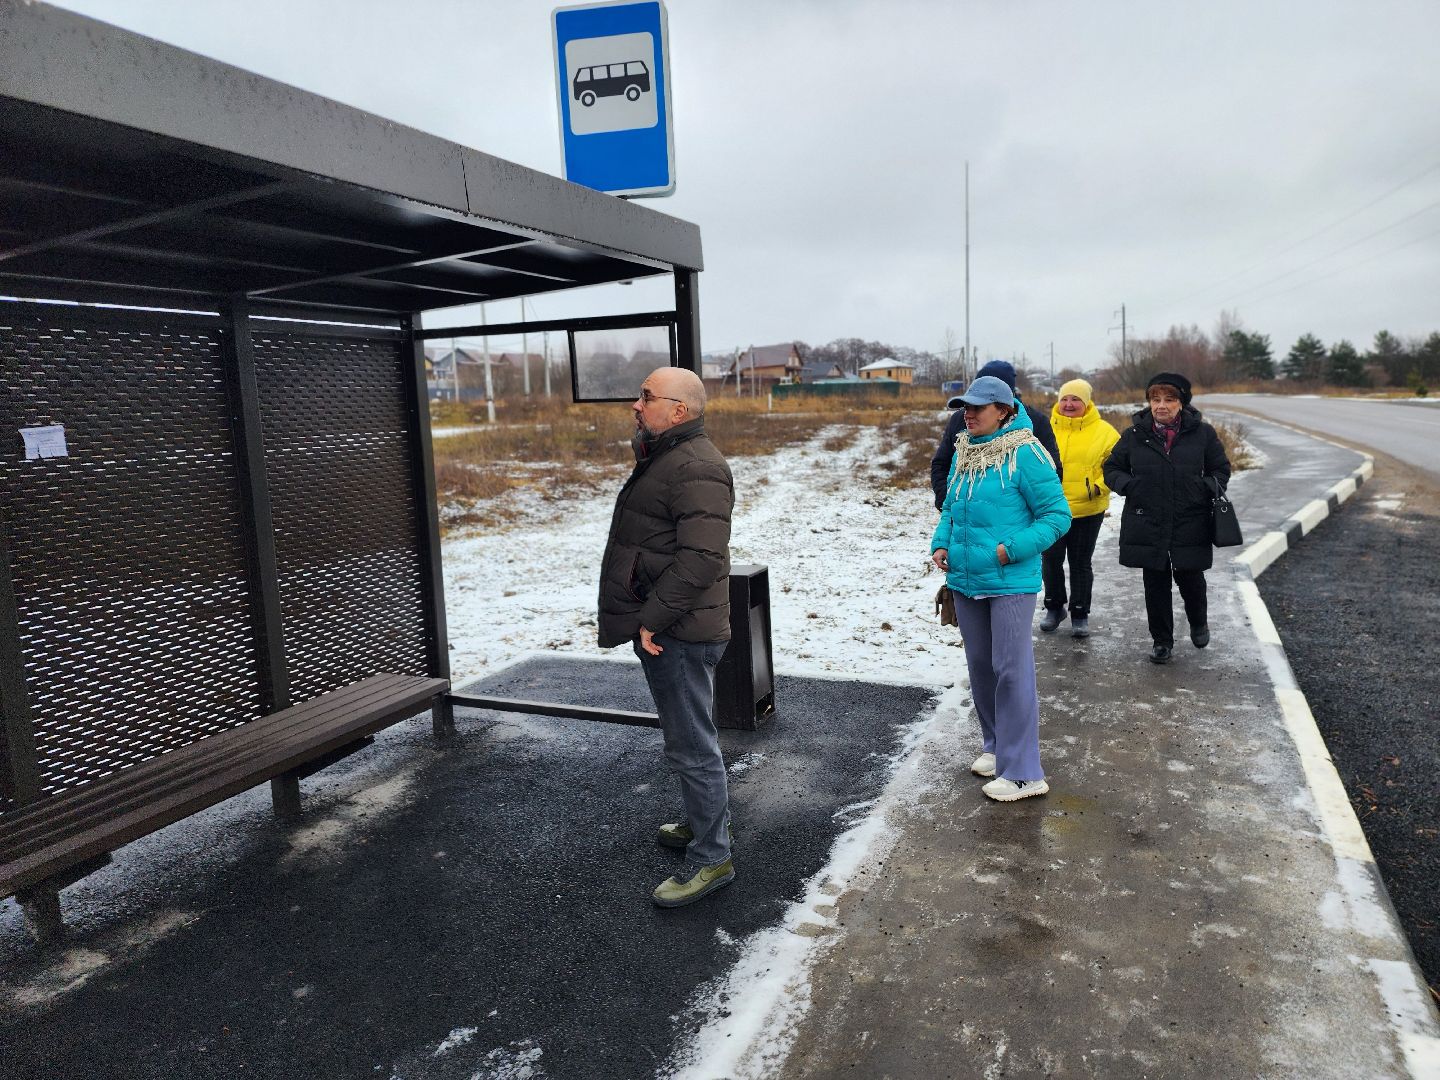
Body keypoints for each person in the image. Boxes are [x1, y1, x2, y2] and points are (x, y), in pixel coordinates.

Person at [597, 366, 736, 907]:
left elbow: (701, 559)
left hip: (678, 631)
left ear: (679, 410)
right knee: (688, 739)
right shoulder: (669, 456)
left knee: (692, 746)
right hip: (673, 626)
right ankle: (703, 822)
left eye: (647, 397)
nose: (636, 405)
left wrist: (651, 618)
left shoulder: (697, 465)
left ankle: (713, 857)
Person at [931, 375, 1071, 801]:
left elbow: (1057, 516)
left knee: (1011, 671)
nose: (968, 415)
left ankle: (1025, 772)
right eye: (965, 407)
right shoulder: (965, 451)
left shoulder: (1026, 453)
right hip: (966, 579)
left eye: (977, 407)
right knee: (982, 668)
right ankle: (997, 747)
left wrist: (1011, 550)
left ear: (1004, 410)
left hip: (1010, 581)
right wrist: (941, 542)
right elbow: (951, 506)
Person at [1103, 372, 1232, 665]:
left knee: (1191, 578)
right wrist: (1130, 486)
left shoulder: (1202, 433)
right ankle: (1162, 641)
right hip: (1148, 520)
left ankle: (1198, 621)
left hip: (1190, 517)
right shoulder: (1135, 435)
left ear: (1181, 403)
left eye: (1169, 399)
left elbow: (1221, 469)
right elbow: (1112, 468)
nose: (1161, 405)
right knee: (1155, 583)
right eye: (1155, 399)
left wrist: (1203, 488)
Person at [1040, 378, 1121, 637]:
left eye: (1075, 399)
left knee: (1080, 563)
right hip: (1051, 510)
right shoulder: (1044, 429)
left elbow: (1118, 466)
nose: (1069, 404)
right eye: (1064, 398)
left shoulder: (1105, 432)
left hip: (1087, 510)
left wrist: (1097, 488)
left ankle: (1079, 613)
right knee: (1050, 560)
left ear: (1086, 403)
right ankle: (1054, 608)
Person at [931, 359, 1060, 510]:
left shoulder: (1035, 423)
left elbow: (1050, 476)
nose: (969, 415)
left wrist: (1017, 514)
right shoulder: (960, 421)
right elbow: (941, 464)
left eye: (980, 406)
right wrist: (949, 504)